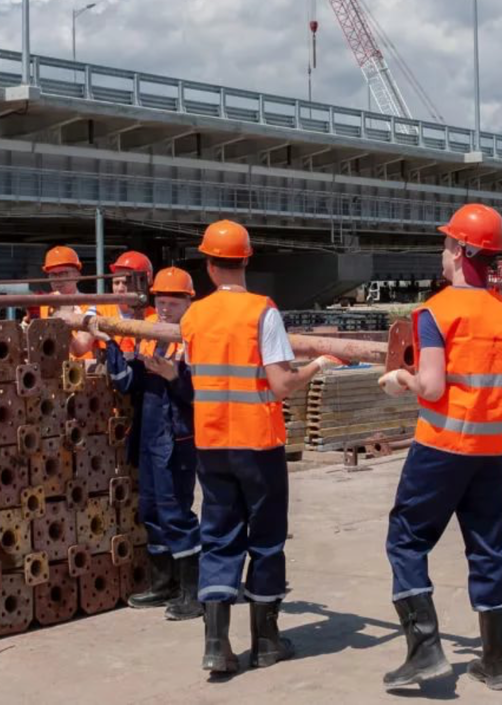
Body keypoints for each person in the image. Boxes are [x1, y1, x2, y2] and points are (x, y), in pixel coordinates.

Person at [376, 203, 502, 692]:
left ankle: (424, 651)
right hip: (490, 453)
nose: (442, 253)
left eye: (446, 245)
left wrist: (401, 378)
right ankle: (496, 662)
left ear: (462, 251)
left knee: (406, 538)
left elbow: (433, 385)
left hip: (441, 447)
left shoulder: (436, 311)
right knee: (488, 546)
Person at [180, 220, 342, 676]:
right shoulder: (262, 312)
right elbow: (280, 385)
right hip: (257, 444)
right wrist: (316, 365)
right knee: (266, 541)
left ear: (209, 266)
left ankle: (216, 646)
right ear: (247, 260)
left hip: (211, 444)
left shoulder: (194, 316)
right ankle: (267, 642)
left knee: (218, 537)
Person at [90, 265, 201, 620]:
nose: (165, 308)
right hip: (150, 435)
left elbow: (203, 395)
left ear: (188, 303)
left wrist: (175, 378)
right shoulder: (147, 334)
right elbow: (126, 382)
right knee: (151, 512)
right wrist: (107, 342)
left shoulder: (194, 341)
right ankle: (163, 584)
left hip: (177, 438)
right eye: (161, 301)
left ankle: (192, 593)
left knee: (175, 513)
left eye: (173, 302)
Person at [37, 245, 96, 359]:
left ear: (77, 275)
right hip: (50, 368)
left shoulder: (90, 305)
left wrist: (60, 322)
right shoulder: (44, 304)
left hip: (83, 372)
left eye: (63, 273)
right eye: (53, 274)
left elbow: (80, 349)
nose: (58, 279)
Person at [97, 250, 156, 358]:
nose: (120, 289)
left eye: (125, 283)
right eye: (116, 283)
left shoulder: (154, 318)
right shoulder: (100, 311)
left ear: (143, 283)